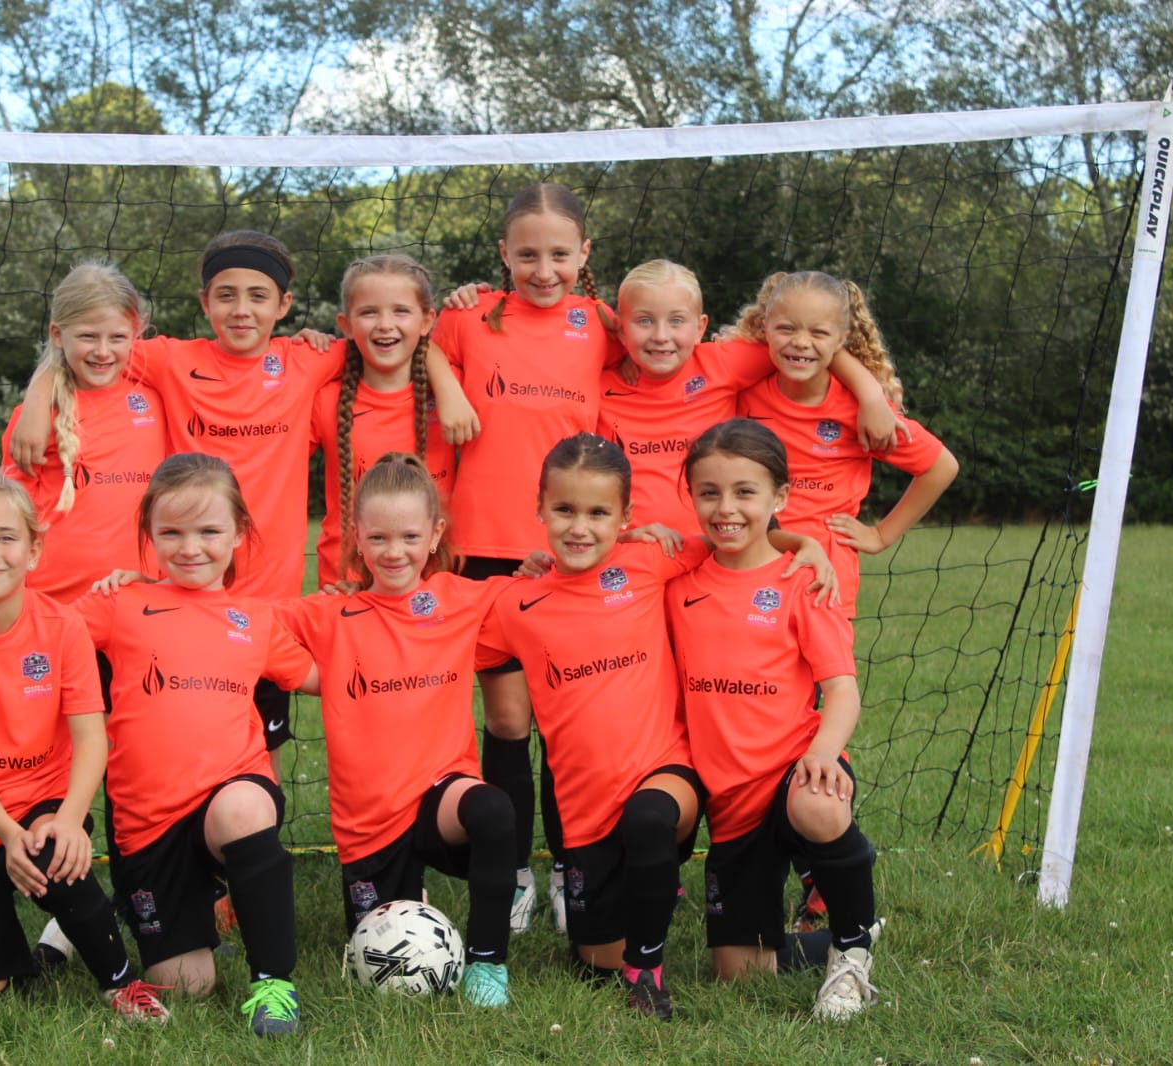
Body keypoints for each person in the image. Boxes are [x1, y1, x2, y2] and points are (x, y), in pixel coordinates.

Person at [10, 232, 473, 771]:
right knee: (164, 740)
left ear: (284, 305)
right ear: (205, 302)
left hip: (266, 603)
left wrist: (448, 385)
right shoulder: (168, 360)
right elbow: (85, 343)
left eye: (258, 296)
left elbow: (393, 337)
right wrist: (38, 396)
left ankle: (263, 823)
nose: (242, 309)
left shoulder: (306, 360)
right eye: (226, 295)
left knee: (261, 751)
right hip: (184, 591)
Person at [476, 433, 838, 1020]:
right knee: (596, 964)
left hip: (667, 776)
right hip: (584, 808)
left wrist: (807, 544)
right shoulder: (513, 603)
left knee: (649, 819)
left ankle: (648, 973)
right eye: (564, 509)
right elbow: (438, 638)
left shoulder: (648, 561)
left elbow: (738, 536)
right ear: (539, 507)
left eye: (599, 513)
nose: (580, 527)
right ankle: (820, 945)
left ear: (626, 516)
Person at [0, 467, 166, 1020]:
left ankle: (120, 982)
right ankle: (34, 941)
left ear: (34, 550)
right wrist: (6, 836)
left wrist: (69, 821)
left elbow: (91, 738)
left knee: (55, 852)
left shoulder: (62, 627)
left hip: (45, 799)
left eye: (6, 537)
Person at [433, 183, 621, 934]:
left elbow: (676, 348)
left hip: (573, 548)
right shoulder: (468, 315)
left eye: (559, 254)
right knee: (509, 721)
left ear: (584, 253)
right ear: (503, 254)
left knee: (572, 722)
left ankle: (577, 868)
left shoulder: (601, 322)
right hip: (484, 548)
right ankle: (512, 873)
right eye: (527, 254)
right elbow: (419, 342)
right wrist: (449, 387)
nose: (544, 270)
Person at [78, 453, 317, 1036]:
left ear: (238, 532)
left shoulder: (254, 618)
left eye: (209, 531)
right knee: (187, 985)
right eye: (172, 533)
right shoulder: (118, 604)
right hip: (147, 825)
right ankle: (191, 919)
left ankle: (274, 986)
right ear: (149, 534)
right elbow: (34, 633)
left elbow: (320, 677)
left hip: (227, 797)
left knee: (245, 807)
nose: (191, 548)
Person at [665, 418, 883, 1020]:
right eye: (709, 492)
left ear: (779, 496)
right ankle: (850, 923)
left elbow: (842, 690)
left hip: (794, 768)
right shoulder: (678, 583)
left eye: (745, 492)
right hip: (731, 801)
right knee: (737, 972)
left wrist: (824, 750)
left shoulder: (801, 582)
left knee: (819, 804)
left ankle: (851, 955)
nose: (726, 508)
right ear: (691, 496)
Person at [281, 454, 517, 1007]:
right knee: (383, 963)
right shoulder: (330, 614)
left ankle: (488, 965)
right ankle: (410, 893)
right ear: (356, 538)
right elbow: (239, 624)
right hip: (371, 821)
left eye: (410, 536)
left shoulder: (460, 599)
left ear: (435, 535)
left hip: (441, 797)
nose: (394, 552)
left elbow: (548, 597)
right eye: (379, 538)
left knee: (493, 810)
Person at [602, 259, 902, 538]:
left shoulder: (723, 364)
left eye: (676, 321)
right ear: (621, 330)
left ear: (700, 328)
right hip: (637, 552)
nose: (660, 335)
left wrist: (871, 394)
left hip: (719, 548)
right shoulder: (599, 383)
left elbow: (807, 347)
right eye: (644, 321)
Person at [731, 270, 959, 618]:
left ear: (842, 339)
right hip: (748, 562)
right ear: (766, 328)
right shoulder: (742, 390)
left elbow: (941, 466)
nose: (801, 342)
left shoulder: (861, 410)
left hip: (823, 578)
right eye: (787, 328)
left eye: (819, 332)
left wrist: (880, 535)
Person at [1, 260, 165, 603]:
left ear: (136, 334)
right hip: (52, 602)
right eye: (88, 336)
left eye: (117, 337)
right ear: (57, 335)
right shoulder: (34, 418)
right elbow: (9, 517)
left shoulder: (158, 397)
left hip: (138, 599)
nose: (103, 352)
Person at [311, 255, 456, 588]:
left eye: (400, 311)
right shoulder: (325, 401)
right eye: (369, 312)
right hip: (345, 587)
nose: (385, 324)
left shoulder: (453, 390)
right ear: (345, 325)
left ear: (427, 321)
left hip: (433, 587)